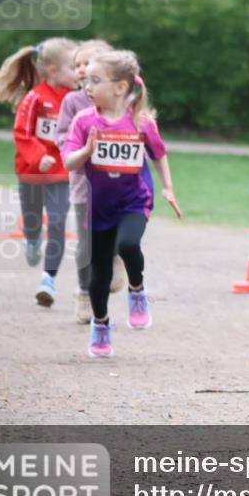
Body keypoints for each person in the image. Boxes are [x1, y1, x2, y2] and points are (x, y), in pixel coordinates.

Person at [63, 51, 182, 358]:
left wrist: (168, 188)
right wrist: (87, 151)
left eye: (95, 80)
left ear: (120, 87)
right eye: (86, 79)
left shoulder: (140, 121)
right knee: (99, 277)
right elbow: (69, 161)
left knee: (129, 244)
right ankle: (101, 324)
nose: (87, 86)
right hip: (97, 207)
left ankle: (137, 289)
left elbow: (158, 153)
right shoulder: (84, 120)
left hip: (134, 201)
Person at [0, 38, 78, 306]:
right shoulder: (35, 97)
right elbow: (22, 132)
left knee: (57, 222)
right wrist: (39, 156)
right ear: (53, 71)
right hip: (31, 171)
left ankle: (48, 280)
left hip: (62, 173)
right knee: (32, 219)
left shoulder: (76, 100)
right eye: (74, 67)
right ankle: (32, 238)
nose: (80, 72)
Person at [55, 39, 128, 324]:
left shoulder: (125, 102)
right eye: (77, 65)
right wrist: (80, 149)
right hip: (85, 185)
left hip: (120, 185)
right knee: (86, 244)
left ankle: (115, 255)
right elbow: (62, 139)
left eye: (88, 63)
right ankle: (84, 294)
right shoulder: (72, 102)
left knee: (123, 227)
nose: (82, 69)